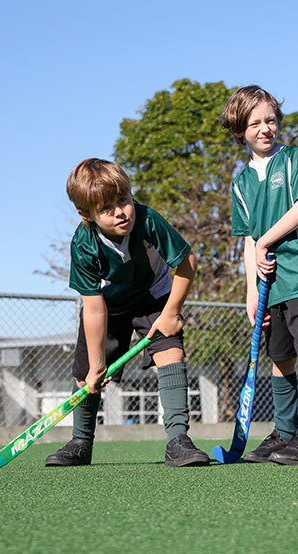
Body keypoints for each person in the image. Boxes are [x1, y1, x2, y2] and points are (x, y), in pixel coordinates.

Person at [46, 159, 206, 467]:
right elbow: (92, 308)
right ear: (86, 215)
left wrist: (171, 311)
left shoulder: (147, 220)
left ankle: (177, 440)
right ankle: (80, 442)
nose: (121, 212)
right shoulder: (84, 244)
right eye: (107, 209)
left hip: (153, 295)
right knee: (85, 376)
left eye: (124, 200)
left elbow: (187, 264)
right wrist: (96, 365)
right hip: (109, 306)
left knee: (171, 354)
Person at [221, 85, 298, 466]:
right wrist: (251, 293)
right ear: (240, 131)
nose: (265, 128)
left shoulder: (294, 158)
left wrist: (266, 242)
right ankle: (284, 433)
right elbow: (250, 242)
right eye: (255, 123)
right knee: (280, 357)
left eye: (270, 120)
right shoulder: (240, 184)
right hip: (270, 284)